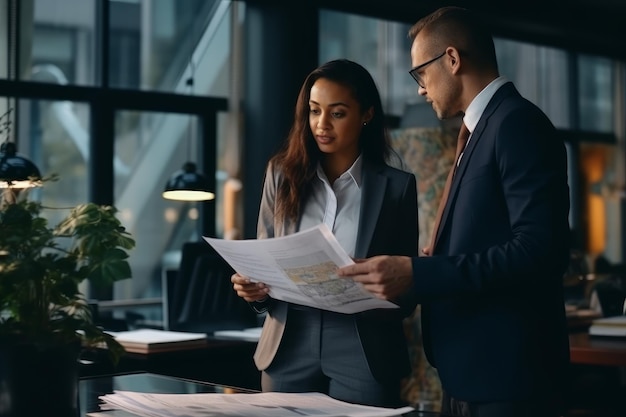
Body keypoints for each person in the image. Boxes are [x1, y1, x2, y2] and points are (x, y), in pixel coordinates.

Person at [337, 7, 571, 417]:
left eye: (420, 74)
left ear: (452, 59)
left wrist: (420, 273)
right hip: (471, 374)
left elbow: (540, 251)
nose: (420, 90)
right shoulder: (480, 130)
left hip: (507, 379)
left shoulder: (517, 124)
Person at [230, 59, 419, 407]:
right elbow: (265, 262)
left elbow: (406, 291)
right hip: (288, 341)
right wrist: (253, 289)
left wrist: (379, 286)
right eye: (314, 111)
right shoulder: (281, 175)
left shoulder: (397, 188)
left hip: (363, 345)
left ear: (367, 114)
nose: (321, 124)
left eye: (338, 113)